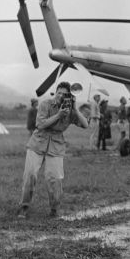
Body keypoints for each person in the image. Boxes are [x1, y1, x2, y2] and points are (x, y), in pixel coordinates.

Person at [17, 81, 88, 218]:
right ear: (55, 92)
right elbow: (40, 124)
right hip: (38, 142)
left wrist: (75, 108)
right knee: (30, 175)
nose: (60, 96)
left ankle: (54, 209)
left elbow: (85, 124)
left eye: (64, 94)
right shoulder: (45, 104)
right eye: (58, 93)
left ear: (69, 96)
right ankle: (24, 207)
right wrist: (58, 115)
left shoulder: (70, 110)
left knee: (55, 178)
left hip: (56, 145)